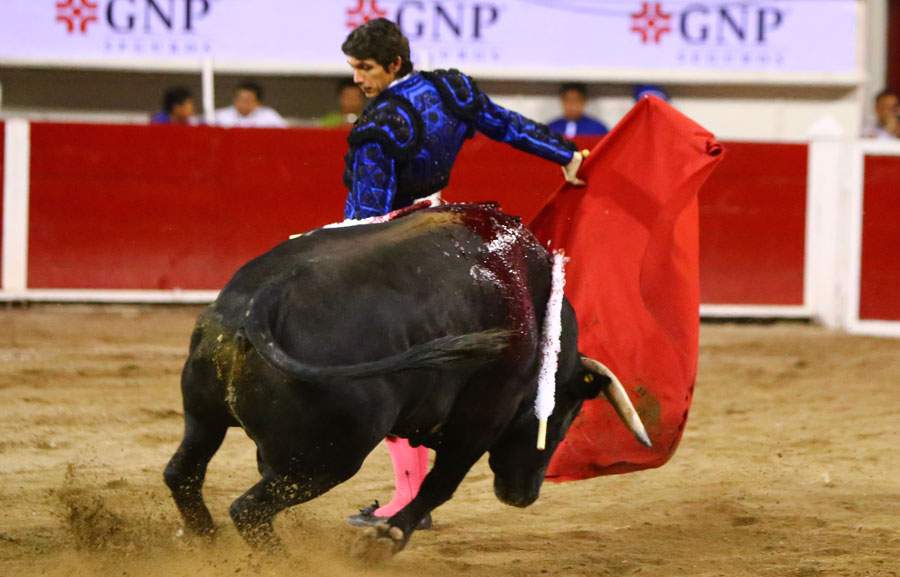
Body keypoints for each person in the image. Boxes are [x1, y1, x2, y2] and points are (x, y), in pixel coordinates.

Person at [340, 17, 586, 528]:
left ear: (394, 65)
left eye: (365, 69)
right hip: (444, 226)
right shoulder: (451, 87)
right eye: (353, 69)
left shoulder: (377, 126)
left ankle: (407, 499)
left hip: (399, 244)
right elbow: (504, 124)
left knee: (383, 359)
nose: (358, 80)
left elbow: (366, 220)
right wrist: (565, 155)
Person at [215, 80, 287, 128]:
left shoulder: (269, 116)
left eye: (247, 100)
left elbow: (286, 133)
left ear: (258, 103)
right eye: (240, 99)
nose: (243, 103)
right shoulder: (221, 116)